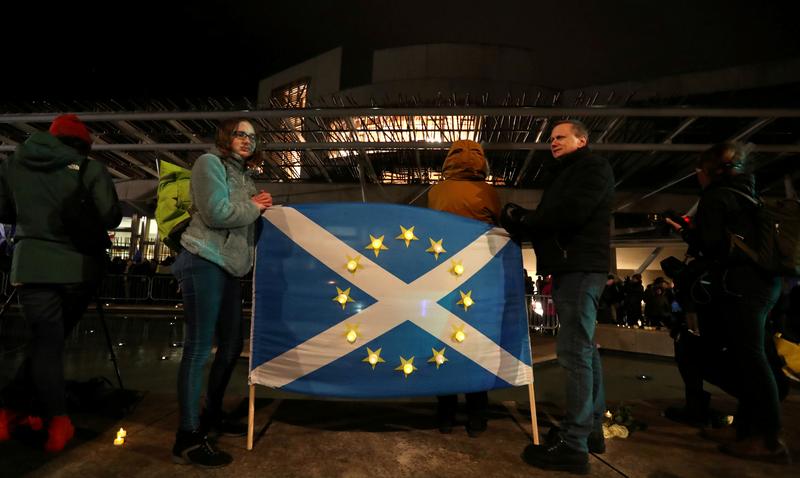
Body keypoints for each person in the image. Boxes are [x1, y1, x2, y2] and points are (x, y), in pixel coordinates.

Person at [0, 114, 122, 452]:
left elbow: (5, 211)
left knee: (43, 343)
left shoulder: (13, 164)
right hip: (77, 267)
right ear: (82, 143)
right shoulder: (88, 168)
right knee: (49, 345)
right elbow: (111, 215)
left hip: (30, 265)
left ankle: (13, 410)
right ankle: (57, 421)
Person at [501, 119, 614, 474]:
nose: (553, 142)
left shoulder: (591, 167)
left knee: (574, 350)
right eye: (550, 139)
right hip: (573, 267)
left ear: (583, 139)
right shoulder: (572, 171)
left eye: (560, 137)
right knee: (584, 347)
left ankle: (574, 444)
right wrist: (527, 222)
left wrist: (527, 219)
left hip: (579, 267)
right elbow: (558, 216)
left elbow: (569, 213)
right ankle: (589, 430)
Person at [666, 142, 789, 464]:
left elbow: (710, 244)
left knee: (751, 361)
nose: (697, 176)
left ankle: (768, 439)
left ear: (709, 171)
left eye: (699, 171)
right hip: (764, 284)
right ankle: (746, 431)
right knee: (752, 357)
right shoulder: (748, 194)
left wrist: (685, 232)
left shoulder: (717, 197)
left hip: (743, 288)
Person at [170, 118, 272, 468]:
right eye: (241, 134)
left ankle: (210, 413)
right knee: (198, 349)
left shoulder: (246, 179)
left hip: (230, 267)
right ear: (226, 137)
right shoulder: (208, 163)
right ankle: (187, 436)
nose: (247, 140)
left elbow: (246, 222)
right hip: (203, 259)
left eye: (253, 137)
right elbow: (216, 213)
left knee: (231, 345)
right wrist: (256, 207)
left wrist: (261, 209)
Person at [427, 139, 500, 437]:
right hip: (478, 282)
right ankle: (477, 414)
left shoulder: (436, 192)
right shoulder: (489, 192)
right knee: (475, 346)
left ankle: (445, 413)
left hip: (443, 281)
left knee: (442, 344)